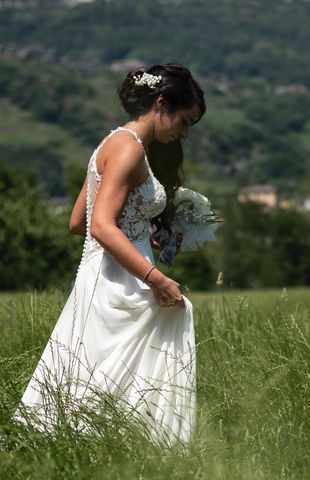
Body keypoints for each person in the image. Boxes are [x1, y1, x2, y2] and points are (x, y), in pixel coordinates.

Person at [15, 64, 206, 447]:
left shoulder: (112, 143)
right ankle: (145, 444)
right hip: (120, 278)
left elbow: (76, 221)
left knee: (101, 366)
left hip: (108, 270)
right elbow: (100, 225)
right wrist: (156, 278)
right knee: (170, 320)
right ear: (161, 102)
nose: (184, 132)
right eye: (185, 121)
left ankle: (103, 446)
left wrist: (142, 233)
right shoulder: (128, 149)